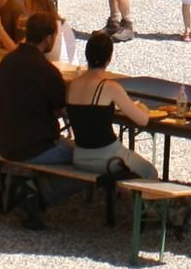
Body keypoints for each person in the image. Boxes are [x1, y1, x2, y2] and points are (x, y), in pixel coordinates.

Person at [0, 10, 75, 227]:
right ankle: (38, 194)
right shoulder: (46, 71)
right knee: (90, 158)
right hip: (36, 147)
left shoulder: (6, 62)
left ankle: (31, 188)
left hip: (3, 140)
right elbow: (62, 111)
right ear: (48, 38)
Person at [65, 31, 155, 180]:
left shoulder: (73, 85)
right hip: (107, 157)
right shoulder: (109, 86)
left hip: (80, 154)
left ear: (87, 55)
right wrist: (142, 109)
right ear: (109, 58)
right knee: (149, 171)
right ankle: (140, 203)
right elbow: (142, 120)